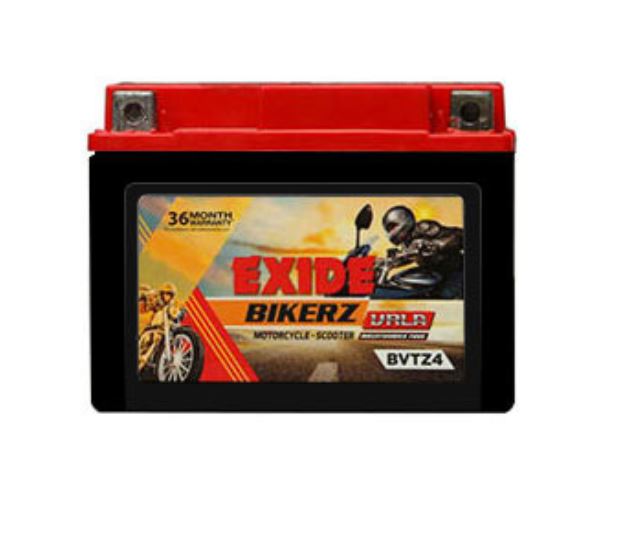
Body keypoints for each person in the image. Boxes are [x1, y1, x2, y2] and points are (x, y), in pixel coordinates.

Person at [378, 206, 464, 298]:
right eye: (388, 229)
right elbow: (408, 256)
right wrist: (388, 263)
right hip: (432, 272)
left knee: (445, 295)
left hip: (454, 271)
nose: (391, 232)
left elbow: (459, 235)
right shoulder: (406, 242)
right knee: (402, 282)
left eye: (392, 226)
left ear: (404, 220)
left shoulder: (423, 228)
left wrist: (436, 244)